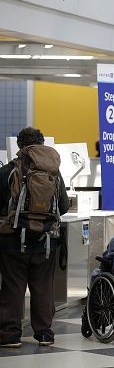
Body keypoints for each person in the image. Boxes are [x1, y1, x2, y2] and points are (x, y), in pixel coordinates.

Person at [0, 127, 69, 348]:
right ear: (41, 143)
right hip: (46, 241)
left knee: (13, 288)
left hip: (12, 240)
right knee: (42, 288)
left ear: (20, 145)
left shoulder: (9, 170)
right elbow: (64, 206)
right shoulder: (54, 172)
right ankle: (45, 334)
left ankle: (10, 335)